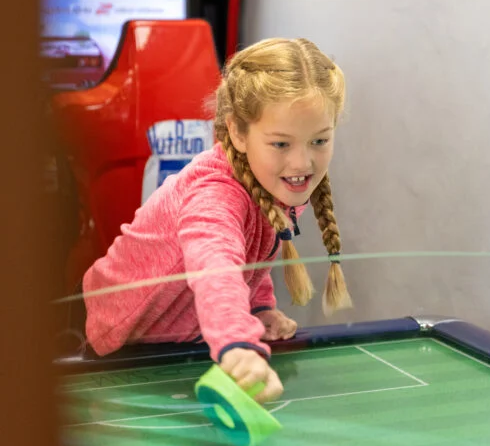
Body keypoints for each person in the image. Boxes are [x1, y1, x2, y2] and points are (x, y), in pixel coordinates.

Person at [80, 37, 352, 402]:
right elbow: (216, 267)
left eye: (319, 141)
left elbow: (253, 255)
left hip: (187, 340)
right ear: (238, 132)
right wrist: (238, 345)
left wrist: (260, 309)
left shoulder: (274, 181)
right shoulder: (213, 193)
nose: (302, 163)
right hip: (125, 346)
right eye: (281, 144)